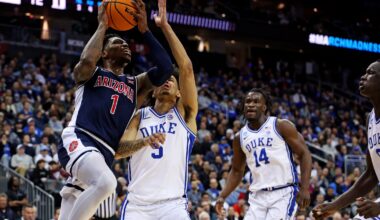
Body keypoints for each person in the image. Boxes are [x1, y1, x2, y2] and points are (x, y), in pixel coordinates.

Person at [57, 0, 174, 219]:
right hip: (80, 139)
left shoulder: (136, 85)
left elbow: (166, 68)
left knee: (99, 201)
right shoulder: (91, 73)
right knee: (107, 183)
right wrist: (102, 25)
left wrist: (145, 31)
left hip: (104, 156)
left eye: (126, 44)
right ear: (104, 52)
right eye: (118, 42)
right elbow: (86, 59)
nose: (125, 46)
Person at [116, 0, 198, 218]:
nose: (167, 81)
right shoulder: (139, 116)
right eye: (163, 79)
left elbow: (187, 68)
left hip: (172, 205)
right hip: (137, 205)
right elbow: (119, 151)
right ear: (152, 92)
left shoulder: (185, 115)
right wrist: (145, 141)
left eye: (172, 80)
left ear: (179, 92)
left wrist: (164, 27)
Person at [215, 88, 312, 219]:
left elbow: (304, 154)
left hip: (283, 192)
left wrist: (305, 187)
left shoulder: (281, 126)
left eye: (256, 102)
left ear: (264, 107)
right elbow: (237, 171)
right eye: (248, 102)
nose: (250, 104)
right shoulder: (240, 137)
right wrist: (222, 196)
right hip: (257, 197)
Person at [312, 60, 380, 219]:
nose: (363, 77)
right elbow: (371, 175)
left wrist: (378, 206)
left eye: (371, 73)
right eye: (365, 72)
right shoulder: (370, 119)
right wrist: (334, 205)